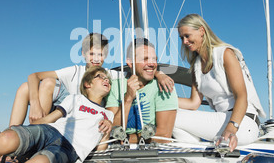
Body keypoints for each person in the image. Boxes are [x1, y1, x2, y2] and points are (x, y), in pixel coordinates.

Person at [0, 66, 113, 163]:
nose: (106, 80)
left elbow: (100, 149)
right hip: (51, 129)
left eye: (108, 80)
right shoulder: (75, 99)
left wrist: (107, 129)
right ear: (88, 84)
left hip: (70, 149)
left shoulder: (108, 115)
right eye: (100, 77)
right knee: (7, 137)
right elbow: (51, 119)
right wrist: (23, 131)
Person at [9, 33, 174, 126]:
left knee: (47, 82)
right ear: (83, 54)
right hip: (64, 107)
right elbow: (33, 76)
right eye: (92, 54)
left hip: (86, 113)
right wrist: (36, 105)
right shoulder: (75, 71)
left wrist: (159, 74)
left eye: (100, 54)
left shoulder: (110, 75)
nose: (96, 59)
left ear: (106, 55)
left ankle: (32, 137)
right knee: (29, 86)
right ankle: (16, 135)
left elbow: (136, 74)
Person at [173, 14, 266, 151]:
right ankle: (195, 153)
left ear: (201, 31)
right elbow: (193, 103)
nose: (184, 42)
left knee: (171, 116)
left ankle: (194, 150)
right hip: (221, 118)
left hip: (243, 122)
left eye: (187, 36)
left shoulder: (225, 54)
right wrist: (161, 100)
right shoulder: (196, 66)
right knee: (167, 113)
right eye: (182, 38)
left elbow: (241, 96)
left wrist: (231, 128)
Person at [105, 38, 178, 143]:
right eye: (145, 59)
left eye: (154, 59)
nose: (152, 64)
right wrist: (128, 98)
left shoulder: (164, 86)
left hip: (153, 151)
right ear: (130, 62)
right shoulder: (116, 86)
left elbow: (164, 134)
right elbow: (112, 130)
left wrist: (129, 139)